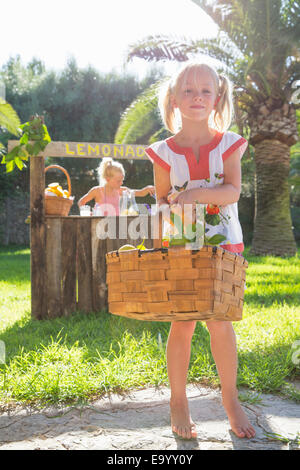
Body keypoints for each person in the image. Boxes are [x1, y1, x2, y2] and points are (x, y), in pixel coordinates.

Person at [144, 61, 256, 440]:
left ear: (217, 97)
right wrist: (159, 241)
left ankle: (230, 398)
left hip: (223, 245)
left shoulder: (228, 143)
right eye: (188, 91)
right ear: (174, 99)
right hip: (179, 248)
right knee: (183, 323)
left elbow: (232, 191)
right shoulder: (162, 152)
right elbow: (161, 201)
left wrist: (192, 193)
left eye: (205, 91)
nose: (196, 97)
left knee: (219, 323)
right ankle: (178, 400)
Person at [77, 157, 155, 215]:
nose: (121, 183)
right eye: (118, 181)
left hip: (116, 227)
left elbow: (140, 193)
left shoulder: (122, 191)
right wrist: (87, 213)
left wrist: (148, 189)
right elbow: (81, 202)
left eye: (122, 180)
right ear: (108, 179)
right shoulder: (97, 191)